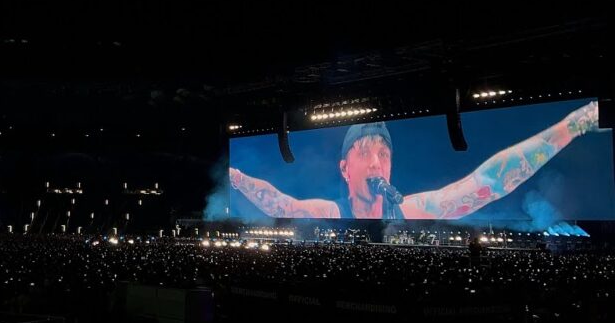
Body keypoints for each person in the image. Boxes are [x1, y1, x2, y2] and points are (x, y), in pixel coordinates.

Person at [230, 101, 600, 220]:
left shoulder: (408, 208)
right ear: (345, 169)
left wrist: (573, 126)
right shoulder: (332, 212)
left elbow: (487, 183)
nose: (376, 163)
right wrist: (239, 179)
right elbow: (283, 204)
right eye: (365, 153)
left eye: (384, 154)